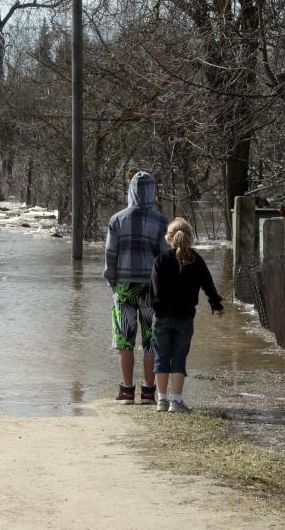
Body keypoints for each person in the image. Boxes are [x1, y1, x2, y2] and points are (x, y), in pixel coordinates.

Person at [104, 172, 171, 405]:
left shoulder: (116, 219)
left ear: (130, 190)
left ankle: (126, 392)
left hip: (123, 287)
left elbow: (110, 257)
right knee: (151, 341)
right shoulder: (161, 221)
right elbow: (165, 258)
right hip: (152, 288)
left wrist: (113, 282)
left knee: (124, 340)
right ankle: (149, 392)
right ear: (152, 192)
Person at [150, 217, 224, 413]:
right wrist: (216, 305)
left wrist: (158, 311)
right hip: (185, 318)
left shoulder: (161, 260)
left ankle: (161, 401)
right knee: (179, 358)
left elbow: (155, 291)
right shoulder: (196, 260)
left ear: (168, 238)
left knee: (161, 358)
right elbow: (208, 285)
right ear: (190, 239)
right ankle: (176, 401)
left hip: (162, 317)